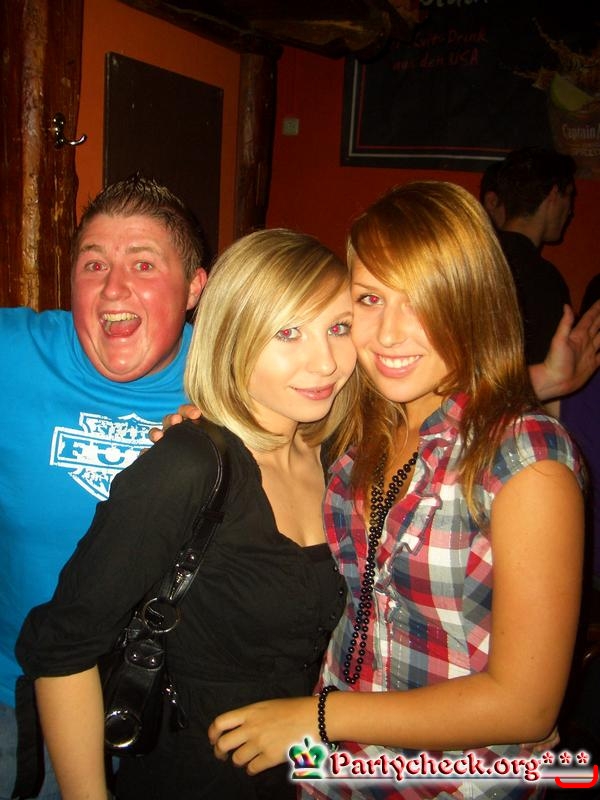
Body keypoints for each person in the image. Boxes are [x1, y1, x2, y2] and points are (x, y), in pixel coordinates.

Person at [206, 182, 585, 800]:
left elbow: (525, 705)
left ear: (471, 300)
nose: (388, 333)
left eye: (422, 300)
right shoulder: (356, 433)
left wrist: (319, 716)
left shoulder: (525, 459)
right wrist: (206, 427)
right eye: (370, 298)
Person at [16, 228, 359, 800]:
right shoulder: (189, 465)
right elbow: (61, 648)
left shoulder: (337, 458)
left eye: (339, 327)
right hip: (195, 776)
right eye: (288, 332)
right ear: (233, 336)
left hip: (306, 773)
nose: (325, 361)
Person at [0, 175, 207, 800]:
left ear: (195, 288)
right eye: (93, 265)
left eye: (143, 264)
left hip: (169, 714)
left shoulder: (236, 379)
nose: (113, 288)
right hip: (18, 702)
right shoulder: (14, 354)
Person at [495, 146, 576, 368]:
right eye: (569, 196)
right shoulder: (544, 279)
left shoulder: (475, 256)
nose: (571, 210)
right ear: (554, 195)